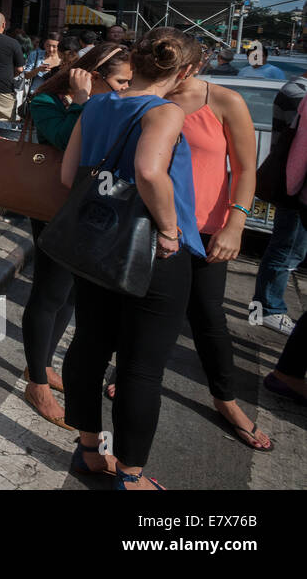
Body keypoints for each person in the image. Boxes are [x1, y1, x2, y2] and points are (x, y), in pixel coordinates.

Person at [59, 28, 203, 489]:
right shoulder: (164, 111)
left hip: (98, 242)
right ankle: (131, 475)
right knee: (141, 367)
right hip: (153, 249)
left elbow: (68, 175)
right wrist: (168, 229)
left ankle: (88, 450)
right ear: (183, 72)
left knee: (89, 346)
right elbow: (148, 171)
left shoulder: (97, 104)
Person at [129, 43, 270, 451]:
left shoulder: (224, 100)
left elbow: (245, 169)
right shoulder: (149, 95)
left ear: (196, 63)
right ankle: (132, 374)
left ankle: (226, 400)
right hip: (154, 225)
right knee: (146, 310)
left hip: (208, 229)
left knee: (208, 316)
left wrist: (236, 223)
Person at [22, 44, 133, 429]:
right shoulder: (48, 100)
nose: (125, 89)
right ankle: (36, 382)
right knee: (49, 292)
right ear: (93, 74)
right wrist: (84, 101)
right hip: (53, 206)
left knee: (69, 294)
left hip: (92, 206)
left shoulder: (115, 105)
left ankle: (44, 363)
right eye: (120, 81)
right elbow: (69, 140)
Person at [251, 70, 307, 335]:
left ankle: (264, 306)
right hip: (292, 186)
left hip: (294, 183)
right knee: (286, 248)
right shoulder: (297, 92)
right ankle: (267, 308)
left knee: (290, 249)